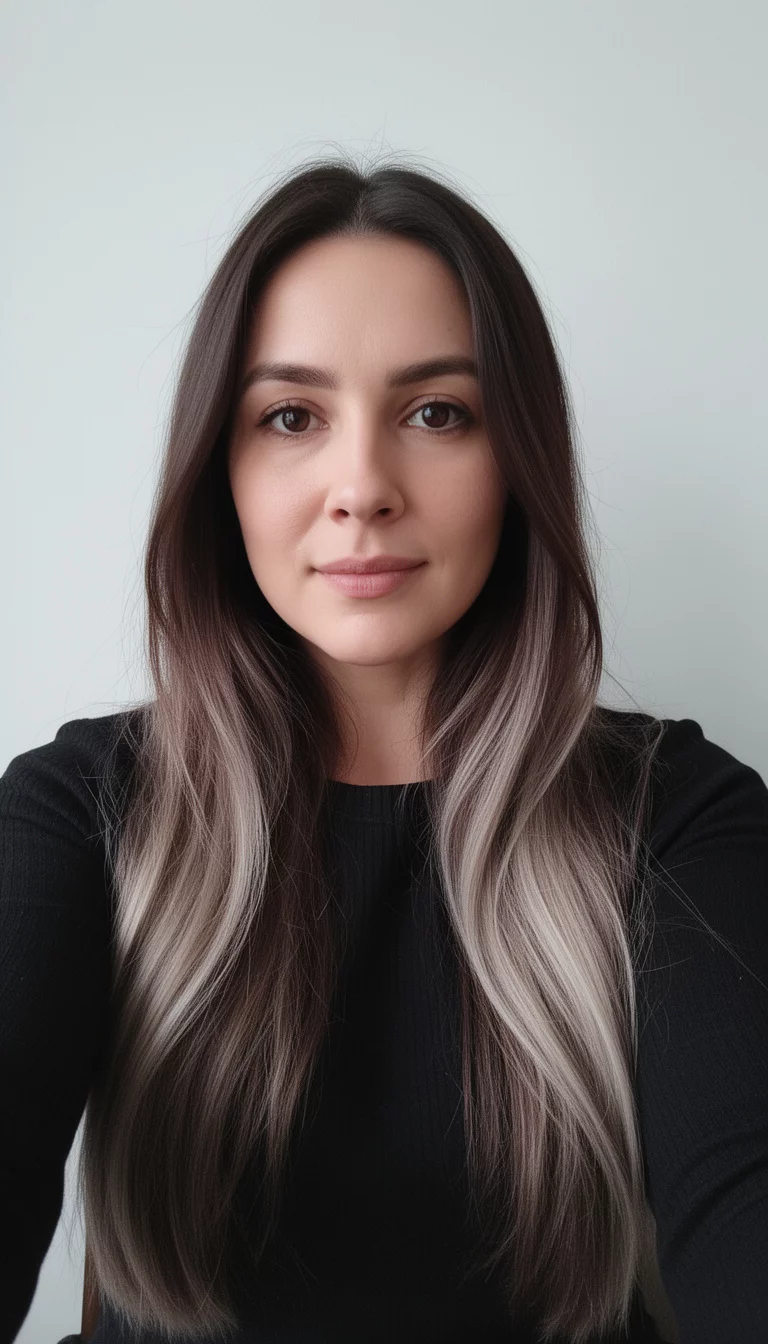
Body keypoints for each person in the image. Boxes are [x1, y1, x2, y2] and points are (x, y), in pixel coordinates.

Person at [1, 153, 766, 1344]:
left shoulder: (677, 814)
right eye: (291, 416)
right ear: (223, 473)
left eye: (436, 412)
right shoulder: (75, 811)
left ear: (518, 464)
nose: (361, 486)